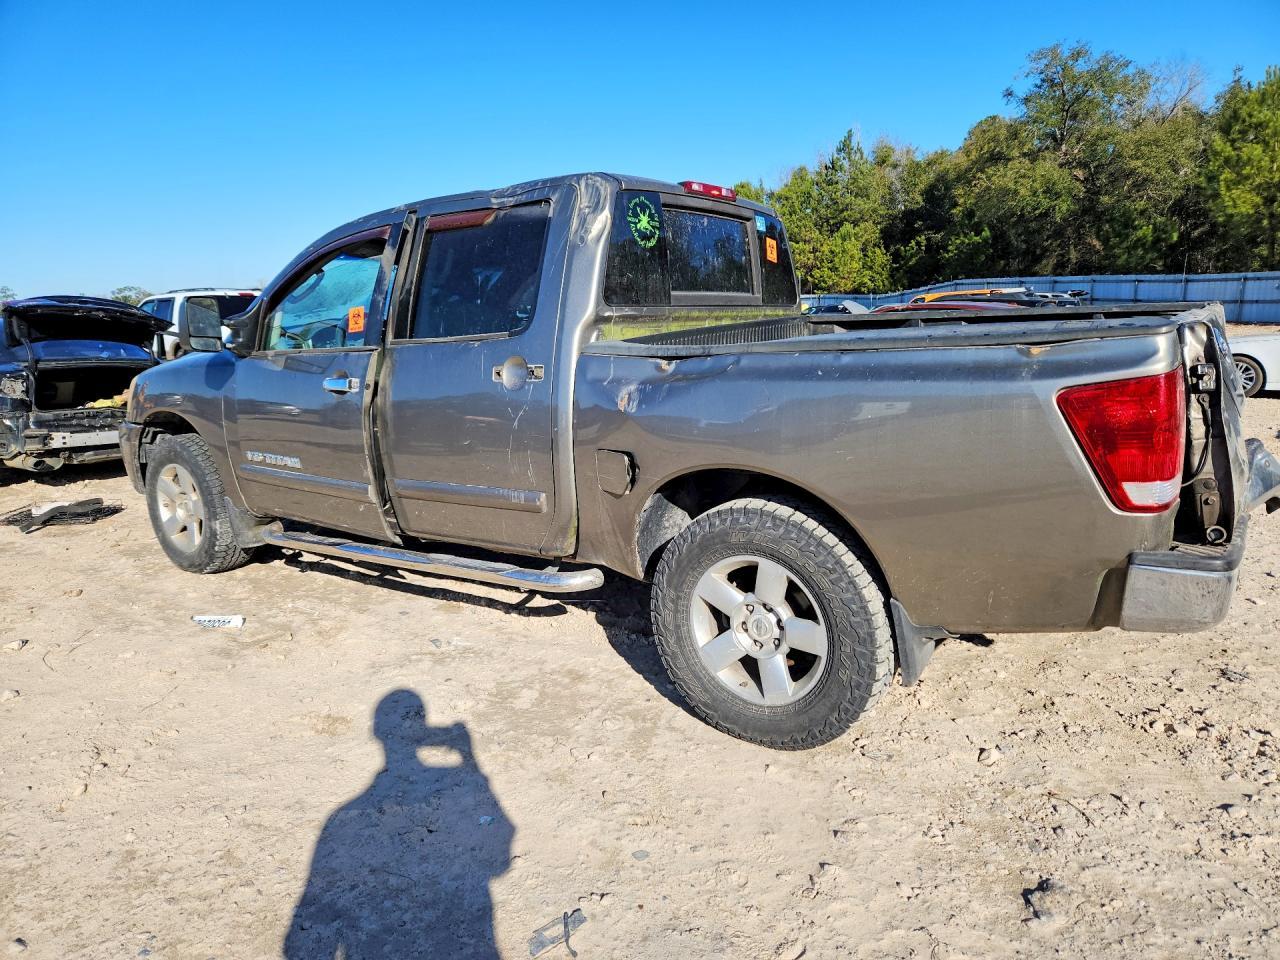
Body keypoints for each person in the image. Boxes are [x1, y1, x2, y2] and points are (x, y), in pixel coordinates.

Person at [284, 690, 514, 958]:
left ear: (378, 734)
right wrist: (469, 761)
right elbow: (499, 860)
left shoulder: (343, 818)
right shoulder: (457, 785)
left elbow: (302, 939)